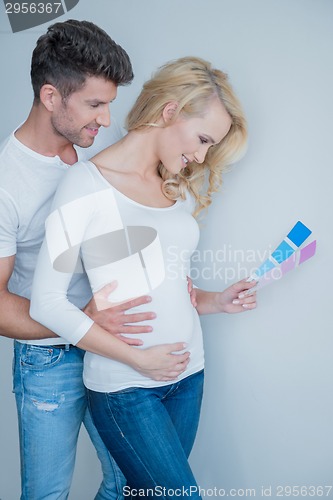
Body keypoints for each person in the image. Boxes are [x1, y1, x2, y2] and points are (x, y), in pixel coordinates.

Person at [30, 56, 257, 496]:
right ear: (170, 111)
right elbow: (47, 302)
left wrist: (217, 300)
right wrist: (138, 359)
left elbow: (170, 285)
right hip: (126, 385)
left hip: (189, 374)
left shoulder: (175, 186)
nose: (202, 156)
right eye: (203, 139)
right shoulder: (86, 184)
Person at [0, 20, 191, 500]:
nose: (107, 120)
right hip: (50, 358)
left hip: (119, 346)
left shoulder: (97, 150)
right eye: (94, 104)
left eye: (109, 104)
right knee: (47, 494)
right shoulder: (7, 182)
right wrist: (78, 321)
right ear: (50, 97)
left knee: (129, 483)